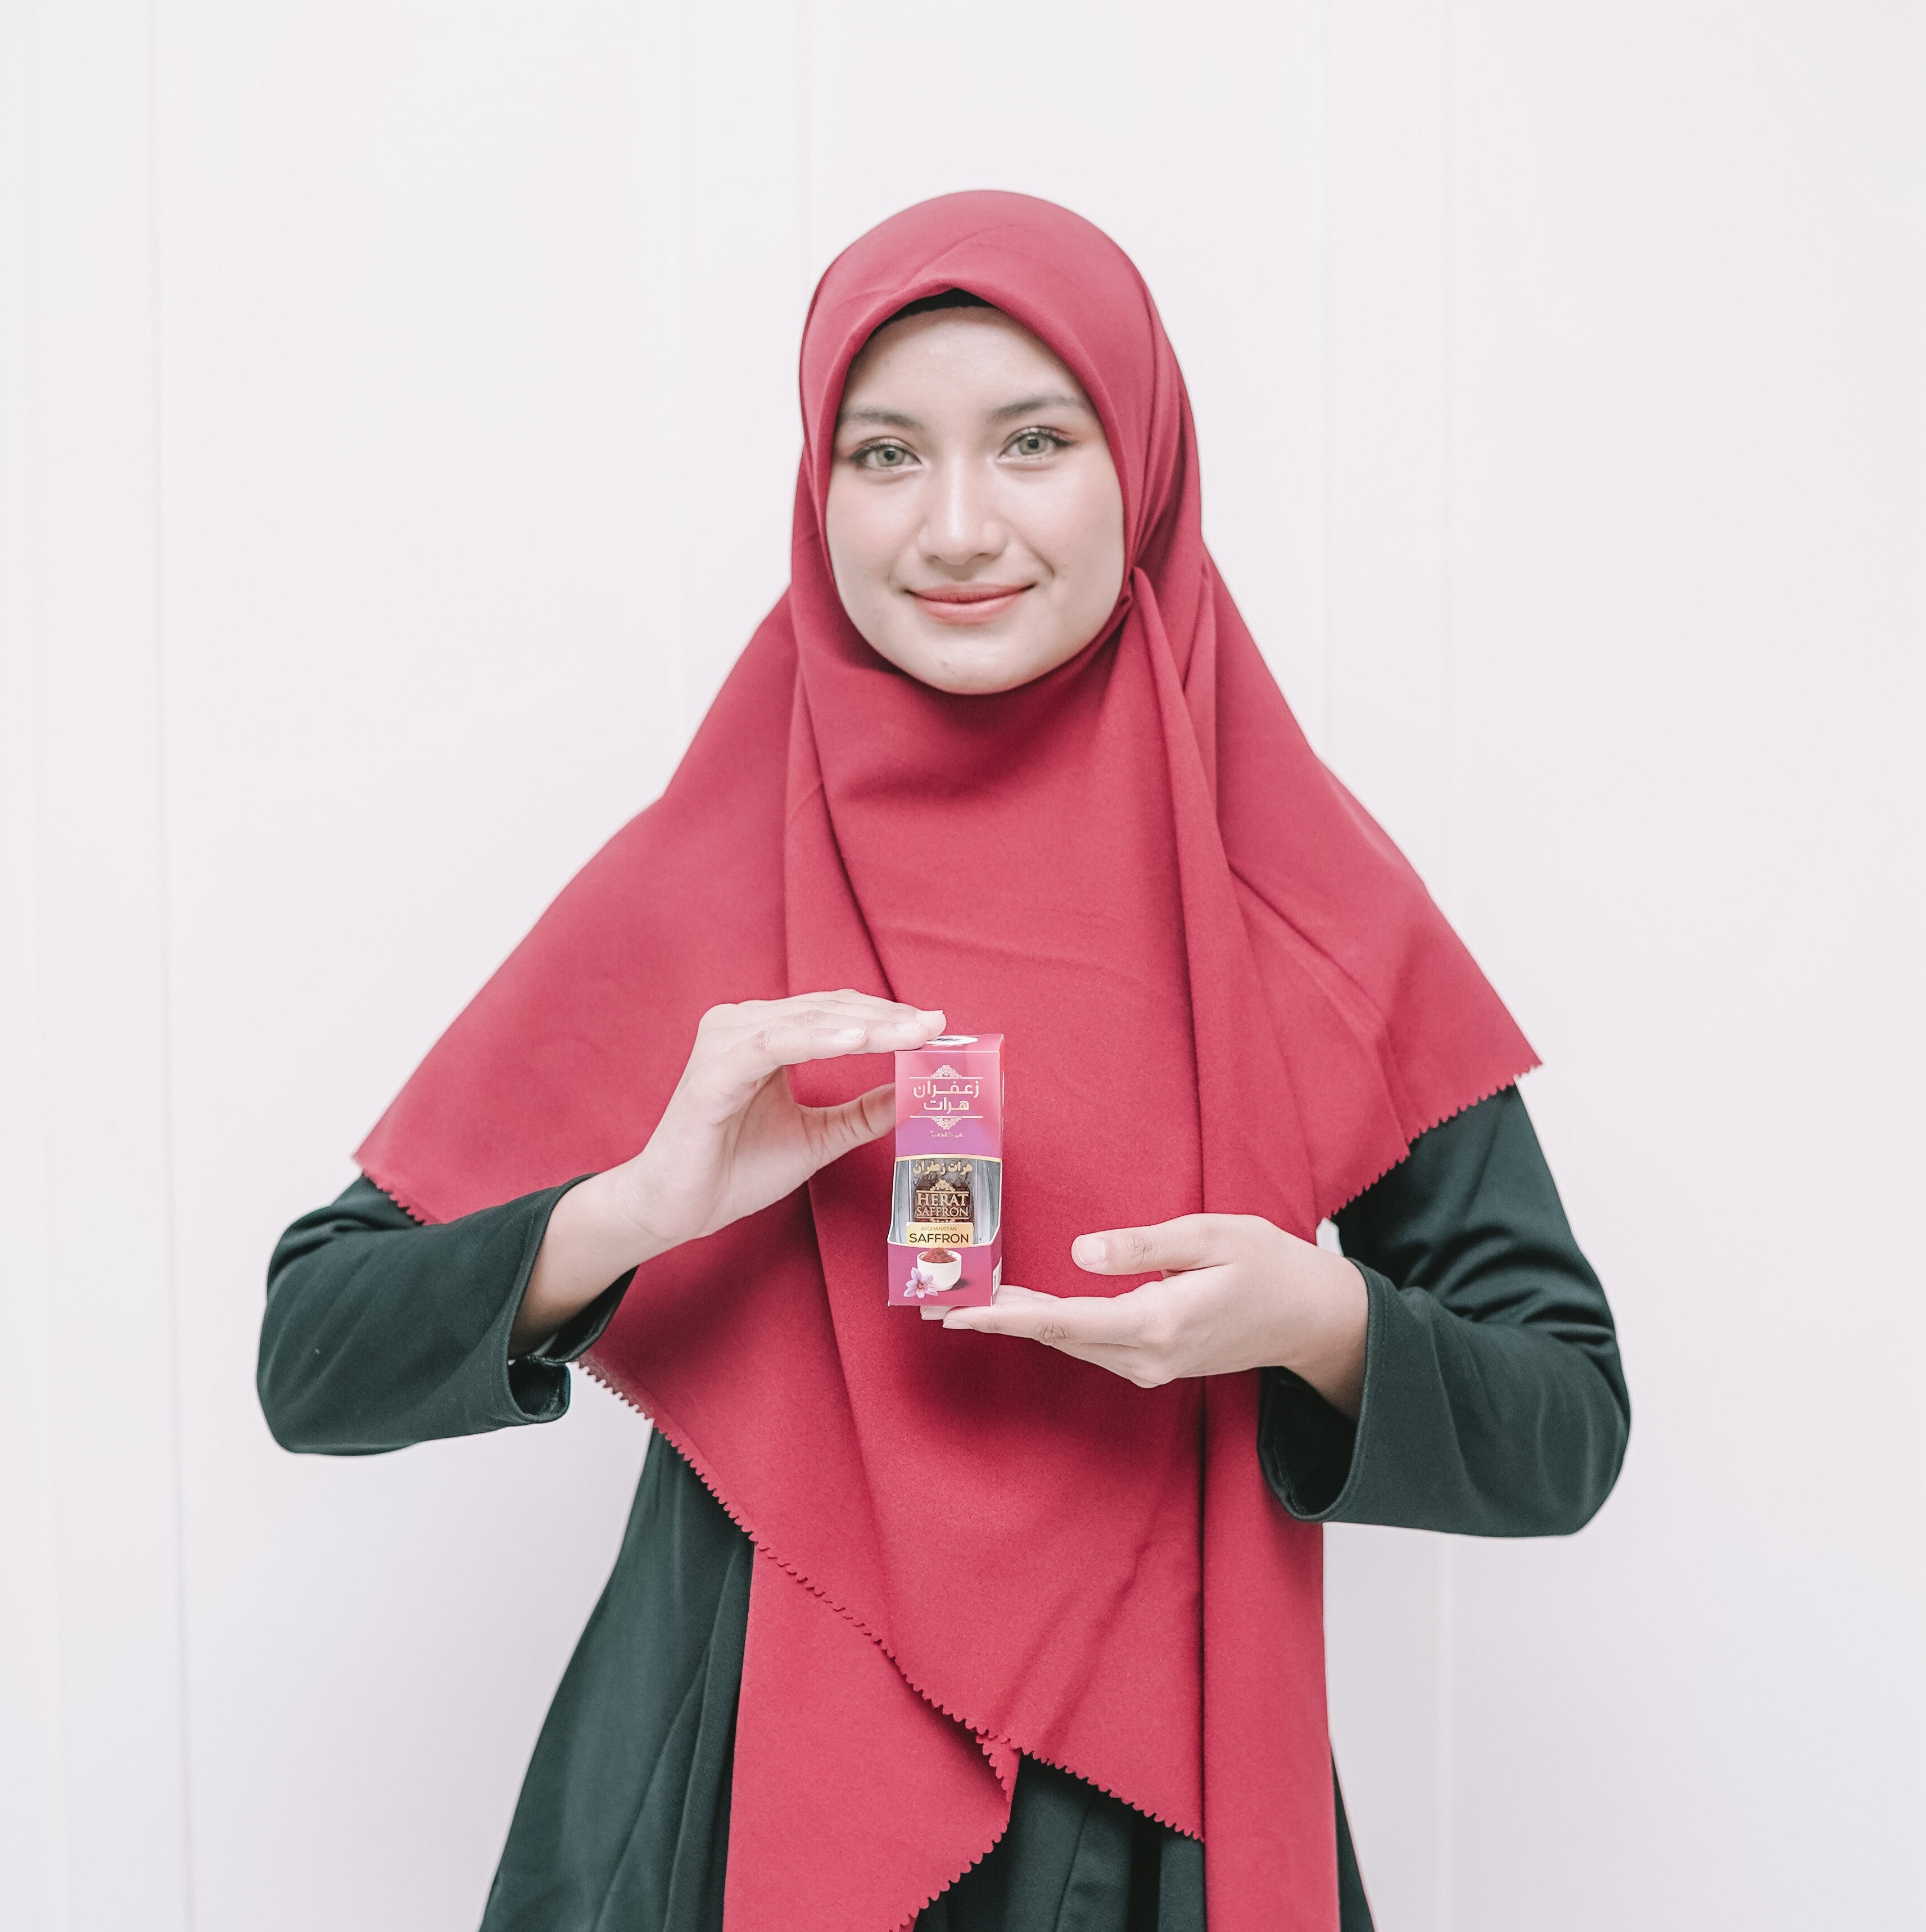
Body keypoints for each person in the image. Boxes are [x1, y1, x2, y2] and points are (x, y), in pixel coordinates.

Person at [260, 192, 1627, 1932]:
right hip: (727, 1790)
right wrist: (635, 1207)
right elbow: (313, 1352)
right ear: (814, 486)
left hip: (1162, 1823)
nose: (956, 525)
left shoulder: (1301, 901)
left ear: (1139, 468)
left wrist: (1310, 1321)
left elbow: (1567, 1420)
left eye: (1033, 442)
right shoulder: (701, 872)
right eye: (885, 452)